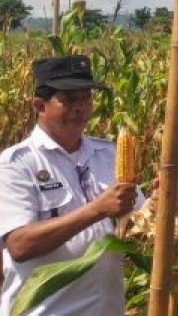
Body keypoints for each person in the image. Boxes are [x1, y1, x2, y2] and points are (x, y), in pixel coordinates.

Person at [0, 56, 139, 316]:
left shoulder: (107, 154)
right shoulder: (16, 164)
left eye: (86, 98)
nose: (81, 108)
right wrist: (96, 210)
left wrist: (155, 205)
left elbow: (138, 222)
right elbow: (19, 245)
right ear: (39, 105)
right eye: (69, 100)